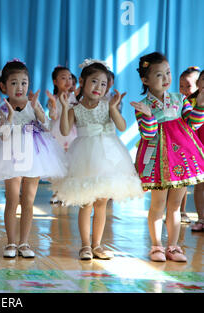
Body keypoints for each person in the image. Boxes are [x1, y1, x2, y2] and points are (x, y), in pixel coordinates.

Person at [56, 59, 144, 260]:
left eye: (103, 84)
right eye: (94, 81)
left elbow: (121, 127)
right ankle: (85, 245)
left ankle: (97, 244)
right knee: (86, 202)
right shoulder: (75, 109)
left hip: (108, 156)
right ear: (82, 81)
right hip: (85, 156)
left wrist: (113, 108)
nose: (99, 87)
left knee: (102, 203)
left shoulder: (107, 106)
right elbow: (64, 130)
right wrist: (63, 107)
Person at [0, 59, 67, 258]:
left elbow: (45, 126)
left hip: (35, 152)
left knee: (28, 200)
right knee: (12, 199)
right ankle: (11, 242)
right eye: (14, 83)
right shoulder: (2, 108)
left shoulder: (32, 104)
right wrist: (10, 116)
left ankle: (24, 243)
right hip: (11, 154)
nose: (19, 87)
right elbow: (3, 134)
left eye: (24, 82)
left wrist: (37, 108)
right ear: (3, 86)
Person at [130, 52, 204, 262]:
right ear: (145, 80)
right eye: (159, 75)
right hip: (157, 159)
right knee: (157, 204)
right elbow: (149, 133)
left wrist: (200, 105)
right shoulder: (143, 105)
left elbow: (194, 124)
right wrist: (147, 115)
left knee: (175, 206)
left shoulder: (180, 99)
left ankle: (173, 246)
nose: (166, 78)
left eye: (168, 73)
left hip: (181, 157)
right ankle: (156, 246)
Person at [46, 66, 78, 204]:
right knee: (57, 163)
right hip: (57, 133)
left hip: (72, 132)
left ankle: (66, 193)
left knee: (70, 164)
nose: (67, 81)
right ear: (55, 81)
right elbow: (53, 117)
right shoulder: (52, 98)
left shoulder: (74, 98)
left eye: (69, 78)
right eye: (63, 78)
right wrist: (53, 104)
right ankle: (56, 192)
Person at [177, 66, 201, 223]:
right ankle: (180, 211)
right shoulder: (179, 102)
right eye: (181, 86)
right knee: (182, 181)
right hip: (183, 144)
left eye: (188, 86)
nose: (184, 90)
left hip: (198, 143)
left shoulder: (198, 101)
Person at [185, 70, 204, 232]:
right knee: (200, 186)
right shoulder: (189, 101)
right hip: (198, 149)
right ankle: (201, 218)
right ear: (198, 83)